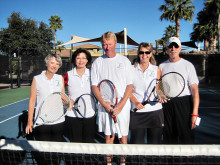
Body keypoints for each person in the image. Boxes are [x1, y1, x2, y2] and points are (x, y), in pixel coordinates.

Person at [91, 31, 133, 164]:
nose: (107, 47)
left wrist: (120, 106)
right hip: (105, 107)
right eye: (104, 44)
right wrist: (104, 104)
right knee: (108, 138)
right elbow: (94, 86)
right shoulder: (97, 62)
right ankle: (108, 163)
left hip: (122, 107)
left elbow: (129, 85)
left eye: (109, 44)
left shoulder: (124, 61)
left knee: (123, 139)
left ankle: (123, 163)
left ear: (115, 44)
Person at [159, 37, 200, 144]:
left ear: (180, 48)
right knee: (168, 140)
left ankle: (189, 161)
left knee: (187, 139)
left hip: (184, 105)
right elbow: (158, 87)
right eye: (170, 46)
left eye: (176, 46)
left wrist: (194, 113)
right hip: (167, 106)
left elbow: (195, 91)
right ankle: (171, 161)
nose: (173, 48)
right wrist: (160, 94)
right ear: (167, 49)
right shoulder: (161, 66)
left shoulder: (188, 65)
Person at [25, 54, 65, 142]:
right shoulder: (37, 79)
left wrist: (69, 102)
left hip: (58, 120)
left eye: (57, 64)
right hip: (42, 121)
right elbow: (32, 101)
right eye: (52, 63)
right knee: (43, 152)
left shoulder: (60, 78)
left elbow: (62, 96)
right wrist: (29, 121)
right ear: (47, 63)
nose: (54, 66)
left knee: (56, 151)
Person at [130, 42, 164, 144]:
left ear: (151, 53)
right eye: (141, 52)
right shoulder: (131, 69)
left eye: (147, 52)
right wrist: (135, 102)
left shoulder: (156, 69)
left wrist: (161, 96)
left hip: (155, 111)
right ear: (138, 53)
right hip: (137, 112)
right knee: (136, 146)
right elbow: (128, 90)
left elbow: (159, 88)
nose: (144, 55)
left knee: (154, 146)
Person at [63, 48, 96, 143]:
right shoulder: (68, 75)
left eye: (83, 58)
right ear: (74, 60)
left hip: (90, 113)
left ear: (87, 60)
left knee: (89, 143)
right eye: (78, 58)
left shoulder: (92, 74)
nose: (81, 61)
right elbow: (59, 92)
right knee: (75, 143)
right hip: (73, 114)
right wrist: (67, 101)